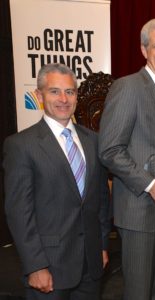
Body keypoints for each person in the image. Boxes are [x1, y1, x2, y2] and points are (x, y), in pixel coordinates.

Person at [98, 18, 155, 299]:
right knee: (139, 293)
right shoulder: (128, 87)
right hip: (139, 209)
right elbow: (110, 149)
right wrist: (151, 185)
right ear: (143, 49)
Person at [3, 63, 110, 298]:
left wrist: (102, 245)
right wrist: (35, 265)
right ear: (40, 95)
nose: (63, 99)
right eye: (54, 91)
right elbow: (19, 212)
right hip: (49, 268)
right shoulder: (21, 145)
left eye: (70, 92)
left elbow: (100, 199)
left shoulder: (93, 140)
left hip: (91, 266)